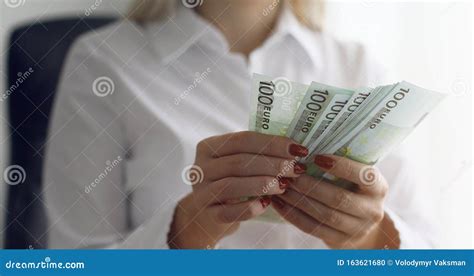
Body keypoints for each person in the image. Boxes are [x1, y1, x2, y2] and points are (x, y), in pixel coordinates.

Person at [44, 0, 436, 249]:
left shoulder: (358, 66)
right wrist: (186, 233)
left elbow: (434, 253)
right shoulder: (103, 63)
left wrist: (367, 238)